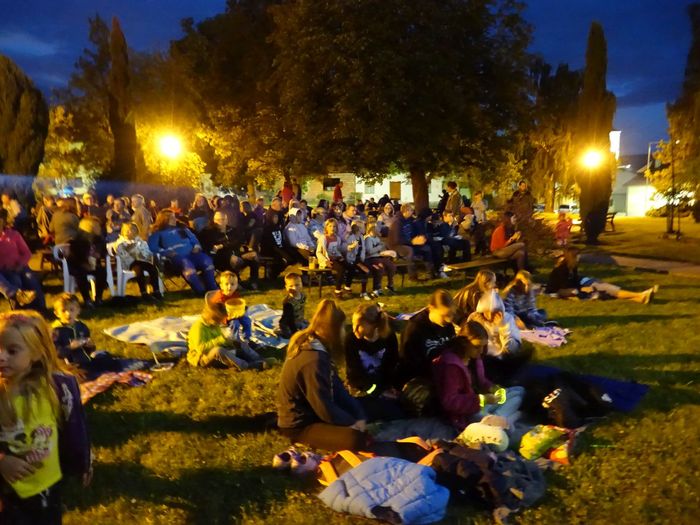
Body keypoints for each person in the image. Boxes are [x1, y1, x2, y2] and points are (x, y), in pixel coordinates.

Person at [0, 311, 91, 523]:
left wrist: (83, 460)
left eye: (12, 351)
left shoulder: (54, 388)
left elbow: (75, 425)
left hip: (48, 483)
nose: (1, 357)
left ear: (36, 352)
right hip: (9, 490)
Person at [277, 300, 371, 451]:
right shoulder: (314, 359)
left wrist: (360, 416)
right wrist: (351, 424)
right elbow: (323, 406)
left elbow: (338, 389)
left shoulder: (319, 349)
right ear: (333, 330)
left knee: (367, 409)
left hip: (314, 413)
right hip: (299, 424)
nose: (344, 332)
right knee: (355, 439)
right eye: (342, 328)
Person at [432, 323, 524, 430]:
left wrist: (493, 388)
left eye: (483, 346)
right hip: (467, 412)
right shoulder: (451, 366)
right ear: (464, 344)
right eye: (477, 347)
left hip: (480, 402)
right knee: (514, 399)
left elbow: (481, 381)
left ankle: (497, 418)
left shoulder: (473, 357)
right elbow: (450, 401)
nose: (481, 350)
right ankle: (498, 419)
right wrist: (481, 400)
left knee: (519, 391)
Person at [545, 247, 657, 303]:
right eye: (578, 256)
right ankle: (639, 296)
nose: (580, 258)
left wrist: (581, 287)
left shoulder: (572, 267)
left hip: (574, 286)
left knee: (602, 286)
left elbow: (574, 280)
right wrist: (581, 289)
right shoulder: (562, 269)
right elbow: (563, 286)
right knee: (599, 289)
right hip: (563, 290)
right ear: (572, 257)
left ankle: (639, 297)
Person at [51, 294, 123, 379]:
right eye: (63, 311)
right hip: (69, 366)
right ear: (57, 313)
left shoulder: (81, 326)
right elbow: (56, 354)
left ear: (78, 310)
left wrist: (90, 346)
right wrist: (70, 347)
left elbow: (88, 351)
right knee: (85, 375)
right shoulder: (56, 331)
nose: (68, 313)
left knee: (109, 362)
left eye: (71, 310)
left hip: (85, 361)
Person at [148, 210, 218, 295]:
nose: (175, 219)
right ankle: (201, 290)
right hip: (177, 258)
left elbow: (193, 239)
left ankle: (213, 287)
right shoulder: (157, 232)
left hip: (193, 254)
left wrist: (196, 246)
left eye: (174, 217)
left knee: (207, 261)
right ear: (164, 220)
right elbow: (153, 247)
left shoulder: (182, 228)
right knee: (187, 264)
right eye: (172, 218)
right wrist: (166, 252)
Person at [397, 289, 456, 387]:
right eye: (444, 315)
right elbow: (410, 363)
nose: (449, 320)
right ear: (431, 308)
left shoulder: (448, 326)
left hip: (443, 376)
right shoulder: (415, 329)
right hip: (419, 381)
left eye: (452, 314)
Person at [187, 300, 265, 370]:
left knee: (239, 343)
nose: (220, 322)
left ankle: (260, 360)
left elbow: (221, 341)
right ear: (212, 318)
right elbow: (201, 349)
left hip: (217, 355)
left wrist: (230, 342)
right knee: (218, 350)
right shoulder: (198, 327)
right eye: (219, 320)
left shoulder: (214, 325)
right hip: (202, 359)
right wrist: (222, 338)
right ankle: (247, 366)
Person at [345, 303, 399, 396]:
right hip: (361, 386)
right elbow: (354, 371)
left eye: (358, 326)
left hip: (383, 383)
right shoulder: (351, 340)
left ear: (374, 325)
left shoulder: (389, 337)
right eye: (353, 324)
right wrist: (376, 391)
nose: (354, 329)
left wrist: (388, 387)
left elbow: (391, 365)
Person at [198, 210, 260, 289]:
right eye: (217, 219)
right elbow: (211, 247)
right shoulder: (208, 232)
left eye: (223, 219)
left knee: (254, 255)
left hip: (236, 254)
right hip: (220, 259)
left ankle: (254, 282)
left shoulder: (232, 230)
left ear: (227, 220)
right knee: (235, 260)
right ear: (214, 220)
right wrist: (226, 247)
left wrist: (222, 245)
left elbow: (239, 241)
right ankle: (236, 282)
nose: (220, 222)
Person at [0, 209, 45, 312]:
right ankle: (19, 310)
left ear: (3, 222)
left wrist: (20, 264)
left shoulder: (13, 235)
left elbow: (26, 253)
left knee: (31, 279)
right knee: (16, 280)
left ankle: (41, 308)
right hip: (4, 270)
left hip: (20, 266)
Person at [114, 223, 163, 301]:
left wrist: (145, 256)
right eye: (127, 230)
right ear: (123, 232)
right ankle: (143, 292)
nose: (129, 232)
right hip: (130, 263)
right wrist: (134, 255)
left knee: (152, 268)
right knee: (138, 269)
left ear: (136, 231)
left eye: (131, 230)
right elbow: (122, 254)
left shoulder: (140, 241)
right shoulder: (120, 242)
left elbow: (146, 252)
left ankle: (156, 291)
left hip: (142, 261)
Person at [468, 290, 522, 359]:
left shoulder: (507, 318)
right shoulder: (475, 318)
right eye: (487, 312)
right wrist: (477, 326)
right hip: (480, 356)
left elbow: (513, 347)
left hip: (500, 358)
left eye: (494, 312)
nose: (490, 316)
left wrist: (502, 326)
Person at [67, 217, 108, 307]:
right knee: (81, 274)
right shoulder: (76, 241)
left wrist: (99, 255)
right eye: (97, 226)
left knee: (102, 272)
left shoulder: (99, 240)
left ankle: (98, 298)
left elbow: (104, 252)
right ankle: (87, 299)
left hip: (94, 265)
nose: (100, 228)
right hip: (79, 265)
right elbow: (73, 257)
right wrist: (84, 264)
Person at [207, 272, 252, 343]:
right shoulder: (219, 298)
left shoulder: (235, 295)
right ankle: (235, 340)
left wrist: (243, 308)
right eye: (226, 284)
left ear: (236, 286)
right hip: (224, 317)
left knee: (247, 320)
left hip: (235, 314)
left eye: (232, 284)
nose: (229, 287)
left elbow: (239, 305)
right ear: (221, 286)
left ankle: (247, 338)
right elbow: (216, 312)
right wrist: (226, 318)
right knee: (235, 323)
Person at [316, 218, 353, 298]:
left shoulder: (337, 238)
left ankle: (347, 287)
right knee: (341, 269)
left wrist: (348, 248)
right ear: (326, 227)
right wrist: (325, 261)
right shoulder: (323, 238)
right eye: (330, 226)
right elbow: (318, 252)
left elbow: (338, 249)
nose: (332, 228)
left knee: (350, 267)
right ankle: (337, 290)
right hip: (328, 260)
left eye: (334, 226)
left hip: (337, 258)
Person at [363, 222, 396, 296]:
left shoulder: (377, 238)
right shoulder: (367, 239)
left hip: (379, 256)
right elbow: (369, 251)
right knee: (380, 268)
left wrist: (385, 252)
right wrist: (379, 247)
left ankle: (390, 285)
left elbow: (380, 248)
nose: (377, 230)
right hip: (371, 258)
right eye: (375, 228)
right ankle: (376, 288)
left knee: (391, 266)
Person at [278, 273, 308, 339]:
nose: (294, 288)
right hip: (288, 324)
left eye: (297, 285)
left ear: (301, 284)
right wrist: (295, 332)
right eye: (291, 286)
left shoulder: (303, 296)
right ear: (286, 287)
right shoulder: (288, 302)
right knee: (290, 336)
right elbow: (289, 320)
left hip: (299, 320)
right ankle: (282, 332)